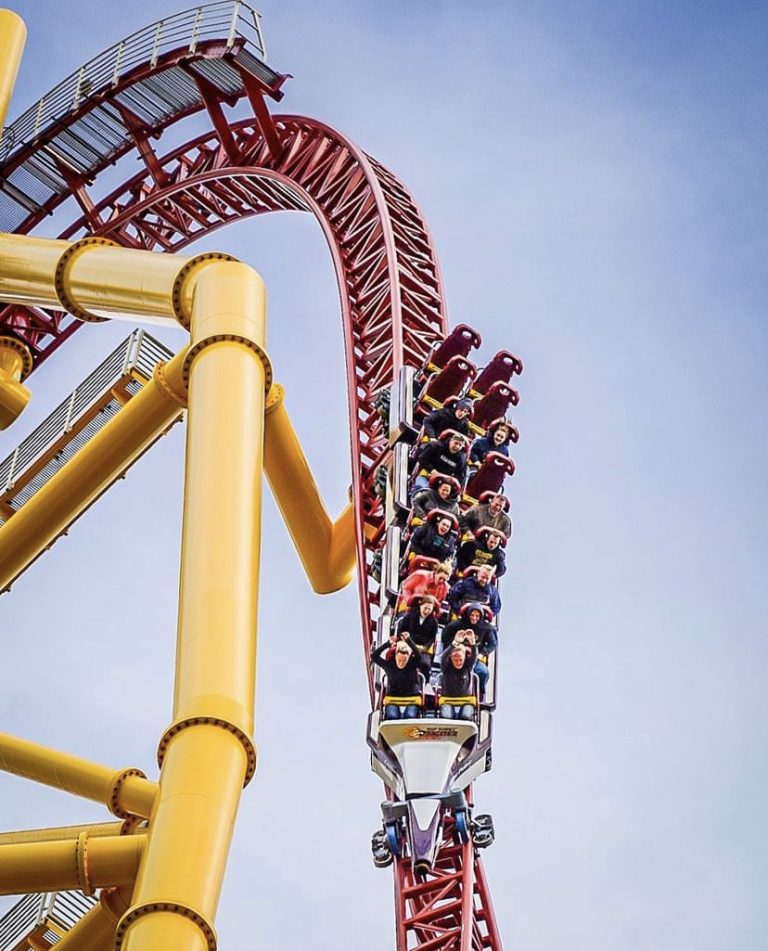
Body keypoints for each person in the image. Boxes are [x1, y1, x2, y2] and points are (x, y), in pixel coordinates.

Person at [440, 603, 497, 697]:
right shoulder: (457, 624)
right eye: (472, 615)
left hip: (473, 657)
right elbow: (445, 637)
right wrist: (454, 643)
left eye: (477, 616)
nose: (474, 618)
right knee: (445, 670)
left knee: (483, 672)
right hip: (456, 656)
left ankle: (480, 694)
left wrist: (483, 653)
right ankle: (445, 691)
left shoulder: (486, 628)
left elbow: (493, 643)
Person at [370, 632, 431, 720]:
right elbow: (374, 656)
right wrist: (388, 644)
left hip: (411, 699)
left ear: (408, 658)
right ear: (395, 656)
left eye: (404, 661)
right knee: (392, 716)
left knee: (410, 716)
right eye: (399, 660)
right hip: (393, 699)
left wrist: (408, 640)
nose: (401, 663)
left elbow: (419, 656)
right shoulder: (389, 666)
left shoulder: (412, 664)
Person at [439, 642, 477, 720]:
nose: (458, 661)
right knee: (446, 716)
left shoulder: (467, 667)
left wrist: (473, 643)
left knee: (466, 716)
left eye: (460, 658)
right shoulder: (446, 668)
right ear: (451, 657)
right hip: (448, 701)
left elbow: (474, 655)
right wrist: (453, 644)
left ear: (464, 657)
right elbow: (443, 657)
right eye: (455, 657)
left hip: (466, 701)